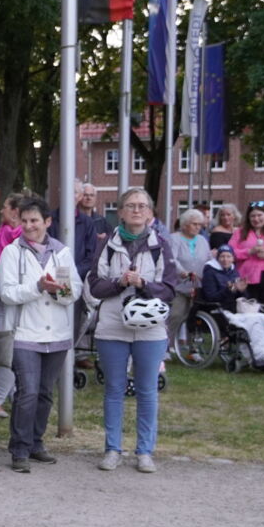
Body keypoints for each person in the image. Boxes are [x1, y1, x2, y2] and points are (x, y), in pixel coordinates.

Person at [87, 188, 177, 473]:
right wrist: (120, 283)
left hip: (150, 329)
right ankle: (112, 448)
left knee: (147, 390)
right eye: (130, 206)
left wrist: (143, 284)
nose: (136, 210)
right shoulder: (107, 244)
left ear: (150, 213)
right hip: (113, 326)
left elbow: (171, 290)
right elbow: (94, 285)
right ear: (121, 212)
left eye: (142, 206)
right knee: (114, 389)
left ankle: (144, 451)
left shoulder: (161, 244)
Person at [0, 198, 79, 473]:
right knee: (28, 392)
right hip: (24, 333)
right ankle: (19, 448)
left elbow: (73, 292)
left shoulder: (61, 252)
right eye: (25, 221)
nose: (29, 226)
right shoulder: (12, 252)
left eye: (35, 221)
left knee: (45, 393)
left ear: (47, 222)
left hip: (56, 333)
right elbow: (7, 293)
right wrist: (37, 286)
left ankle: (35, 442)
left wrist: (58, 290)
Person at [0, 193, 24, 418]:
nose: (1, 211)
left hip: (18, 298)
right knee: (7, 349)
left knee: (15, 348)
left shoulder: (23, 237)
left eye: (5, 207)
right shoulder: (2, 233)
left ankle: (9, 393)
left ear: (15, 212)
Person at [167, 209, 212, 346]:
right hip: (179, 285)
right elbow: (172, 259)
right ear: (185, 224)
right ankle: (166, 346)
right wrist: (183, 272)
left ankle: (192, 347)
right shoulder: (174, 238)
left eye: (199, 224)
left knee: (194, 317)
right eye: (194, 224)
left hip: (197, 286)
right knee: (176, 315)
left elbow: (208, 259)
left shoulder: (202, 240)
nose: (198, 227)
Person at [200, 244, 246, 312]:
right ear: (217, 258)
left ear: (233, 258)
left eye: (228, 256)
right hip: (218, 309)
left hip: (233, 307)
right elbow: (210, 297)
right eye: (222, 256)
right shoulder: (210, 272)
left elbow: (240, 296)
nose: (225, 259)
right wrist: (228, 290)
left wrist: (242, 291)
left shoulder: (234, 271)